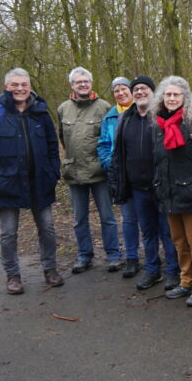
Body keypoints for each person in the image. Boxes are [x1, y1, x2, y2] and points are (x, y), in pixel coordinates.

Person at [0, 68, 64, 294]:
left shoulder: (41, 113)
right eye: (15, 85)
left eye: (24, 84)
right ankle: (13, 276)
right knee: (9, 233)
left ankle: (50, 269)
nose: (20, 89)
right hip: (7, 184)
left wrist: (53, 172)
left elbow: (53, 146)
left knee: (48, 229)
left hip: (40, 182)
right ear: (6, 87)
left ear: (30, 87)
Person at [108, 76, 180, 291]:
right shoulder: (126, 120)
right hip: (138, 189)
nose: (140, 92)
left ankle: (173, 271)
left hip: (162, 186)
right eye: (136, 89)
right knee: (147, 232)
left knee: (167, 232)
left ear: (153, 91)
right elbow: (118, 155)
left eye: (144, 88)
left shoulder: (162, 117)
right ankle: (152, 269)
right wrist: (117, 182)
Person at [150, 76, 192, 307]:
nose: (171, 98)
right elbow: (157, 160)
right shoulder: (158, 124)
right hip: (168, 193)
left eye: (176, 94)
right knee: (179, 241)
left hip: (190, 193)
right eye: (167, 94)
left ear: (185, 97)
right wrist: (158, 185)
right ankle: (186, 280)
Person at [58, 67, 122, 273]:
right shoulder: (63, 109)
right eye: (78, 82)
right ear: (72, 85)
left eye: (86, 81)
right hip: (74, 172)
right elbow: (63, 139)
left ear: (91, 83)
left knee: (107, 217)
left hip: (99, 172)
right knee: (79, 219)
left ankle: (113, 255)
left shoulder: (104, 107)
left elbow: (110, 138)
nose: (83, 84)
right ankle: (84, 256)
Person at [98, 77, 143, 278]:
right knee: (128, 219)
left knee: (151, 219)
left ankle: (159, 257)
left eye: (124, 88)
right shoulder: (109, 117)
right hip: (121, 177)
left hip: (143, 175)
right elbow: (103, 145)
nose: (121, 93)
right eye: (116, 90)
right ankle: (132, 258)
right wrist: (111, 165)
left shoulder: (143, 111)